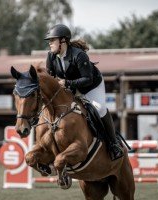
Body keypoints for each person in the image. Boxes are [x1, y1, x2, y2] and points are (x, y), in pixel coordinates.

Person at [44, 24, 123, 161]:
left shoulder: (79, 55)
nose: (50, 43)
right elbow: (51, 78)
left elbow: (87, 79)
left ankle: (113, 144)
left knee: (99, 109)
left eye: (53, 40)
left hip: (91, 86)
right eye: (49, 41)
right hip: (70, 87)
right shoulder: (51, 57)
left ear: (63, 41)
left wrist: (67, 83)